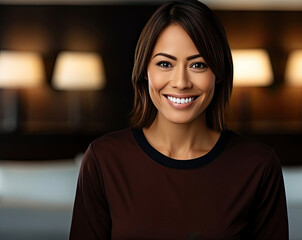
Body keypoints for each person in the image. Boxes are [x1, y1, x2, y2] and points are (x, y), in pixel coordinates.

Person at [69, 0, 289, 239]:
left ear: (218, 73)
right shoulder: (103, 160)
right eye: (165, 63)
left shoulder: (258, 165)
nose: (181, 82)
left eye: (198, 64)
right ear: (145, 70)